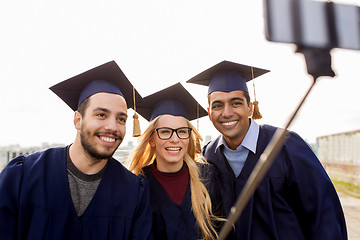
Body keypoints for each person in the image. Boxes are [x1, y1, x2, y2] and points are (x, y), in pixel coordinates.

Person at [187, 60, 347, 240]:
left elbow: (324, 215)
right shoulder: (210, 155)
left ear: (250, 107)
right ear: (209, 113)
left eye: (236, 103)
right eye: (218, 105)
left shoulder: (286, 146)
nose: (226, 113)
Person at [0, 61, 152, 240]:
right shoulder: (23, 176)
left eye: (121, 119)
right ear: (77, 120)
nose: (113, 126)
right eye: (101, 114)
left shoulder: (134, 192)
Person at [129, 82, 223, 240]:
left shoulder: (207, 176)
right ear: (151, 139)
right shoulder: (139, 185)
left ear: (189, 137)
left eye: (181, 132)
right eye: (165, 132)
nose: (175, 139)